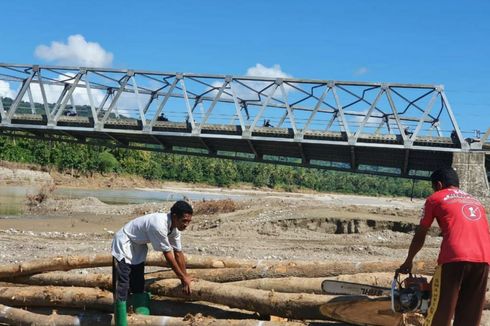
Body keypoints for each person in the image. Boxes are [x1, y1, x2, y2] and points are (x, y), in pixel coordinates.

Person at [398, 167, 490, 326]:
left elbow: (420, 234)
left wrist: (408, 261)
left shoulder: (435, 198)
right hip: (484, 259)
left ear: (439, 185)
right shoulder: (476, 201)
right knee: (470, 314)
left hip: (454, 258)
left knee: (440, 311)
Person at [111, 200, 193, 326]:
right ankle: (121, 321)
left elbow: (178, 253)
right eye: (184, 221)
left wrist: (185, 276)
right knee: (123, 281)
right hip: (125, 241)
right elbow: (168, 255)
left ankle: (139, 316)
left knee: (138, 281)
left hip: (138, 246)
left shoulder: (174, 229)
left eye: (189, 221)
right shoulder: (159, 225)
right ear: (175, 216)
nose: (186, 224)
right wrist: (182, 277)